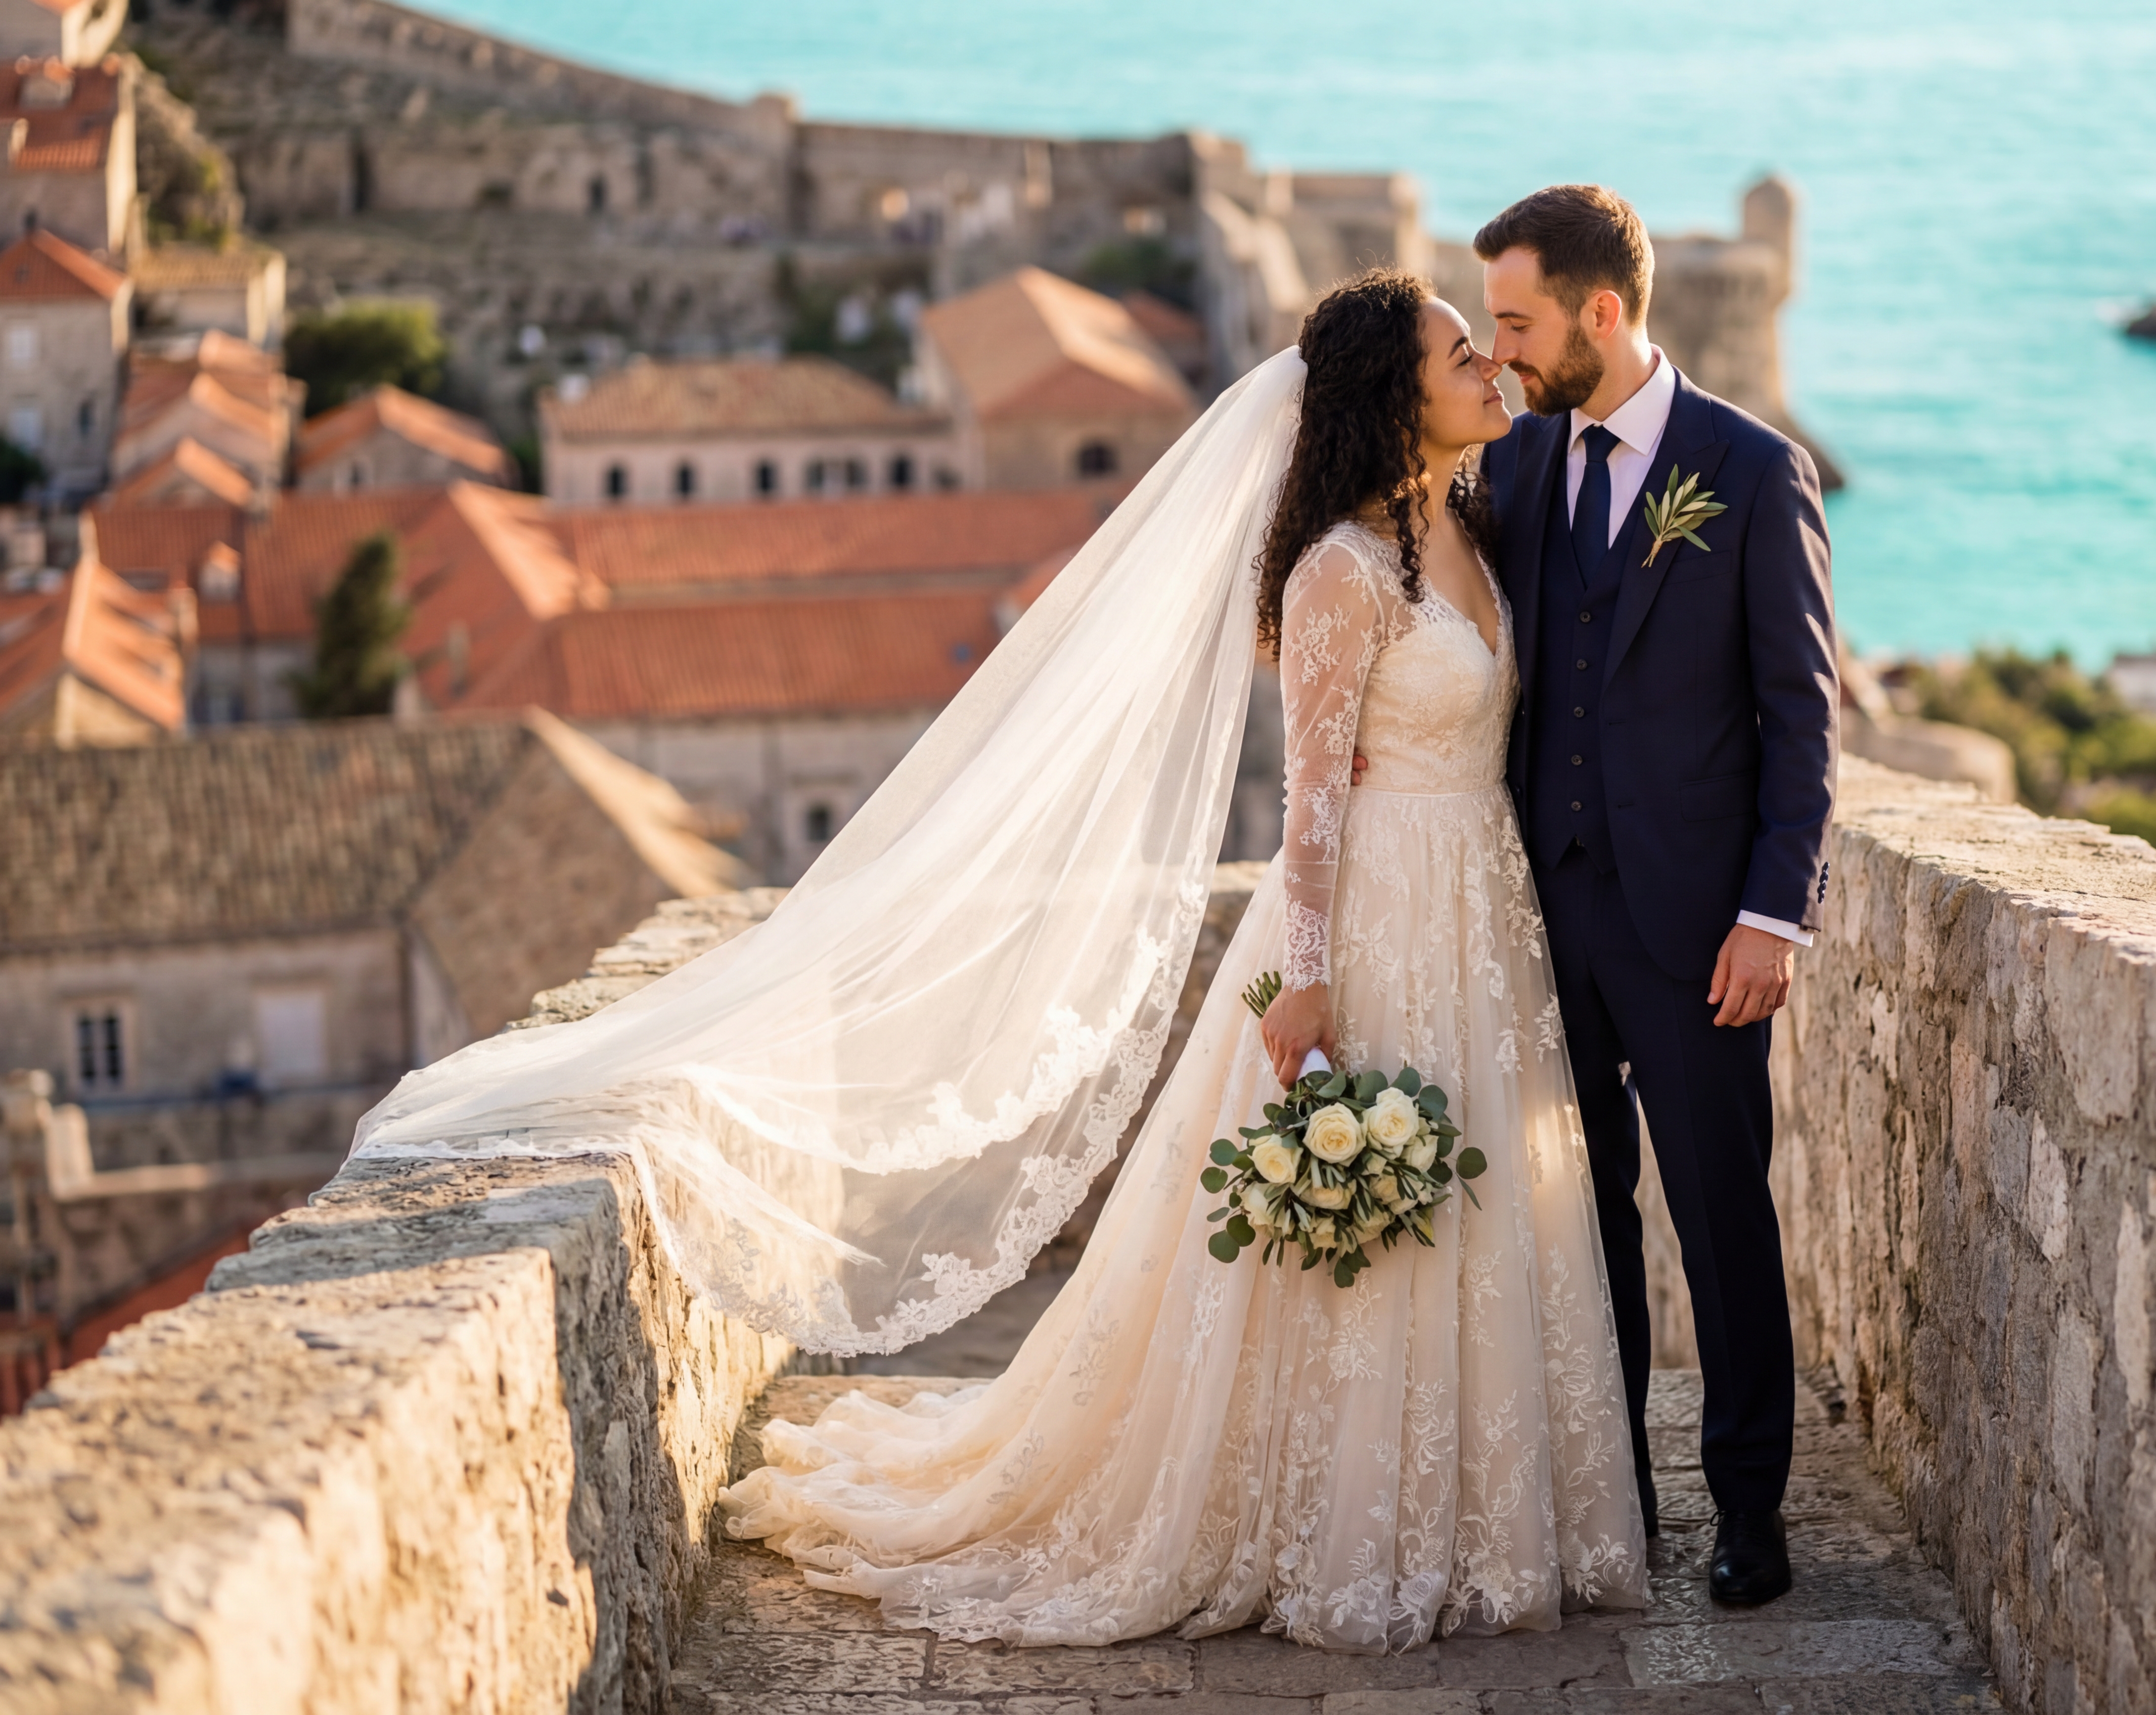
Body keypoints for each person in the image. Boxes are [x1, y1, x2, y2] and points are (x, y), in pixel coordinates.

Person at [355, 269, 1646, 1651]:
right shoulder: (1339, 568)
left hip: (1482, 915)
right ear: (1396, 396)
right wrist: (1313, 975)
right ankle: (1337, 1519)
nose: (1488, 369)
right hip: (1381, 916)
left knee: (1475, 1197)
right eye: (1461, 354)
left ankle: (1471, 1514)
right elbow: (1314, 795)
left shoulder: (1470, 524)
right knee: (1367, 1206)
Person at [1472, 185, 1839, 1606]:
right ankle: (1615, 1497)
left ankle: (1750, 1510)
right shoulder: (1516, 462)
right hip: (1546, 913)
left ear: (1602, 312)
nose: (1500, 352)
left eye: (1518, 324)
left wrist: (1773, 915)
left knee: (1721, 1218)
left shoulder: (1751, 470)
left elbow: (1802, 717)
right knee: (1587, 1221)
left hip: (1697, 931)